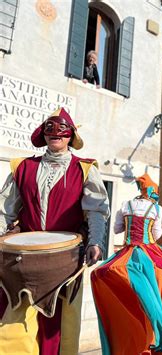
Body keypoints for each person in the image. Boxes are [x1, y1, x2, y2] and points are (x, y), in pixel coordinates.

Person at [0, 107, 109, 354]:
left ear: (71, 135)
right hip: (23, 260)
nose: (55, 134)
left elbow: (96, 211)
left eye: (62, 130)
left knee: (60, 328)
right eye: (50, 129)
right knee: (13, 325)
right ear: (43, 135)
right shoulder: (23, 168)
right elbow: (4, 209)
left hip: (67, 259)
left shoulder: (86, 169)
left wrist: (95, 242)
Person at [91, 173, 162, 354]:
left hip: (128, 251)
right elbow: (157, 234)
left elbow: (116, 229)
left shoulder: (125, 205)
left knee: (100, 272)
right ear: (153, 191)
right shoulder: (156, 209)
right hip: (149, 250)